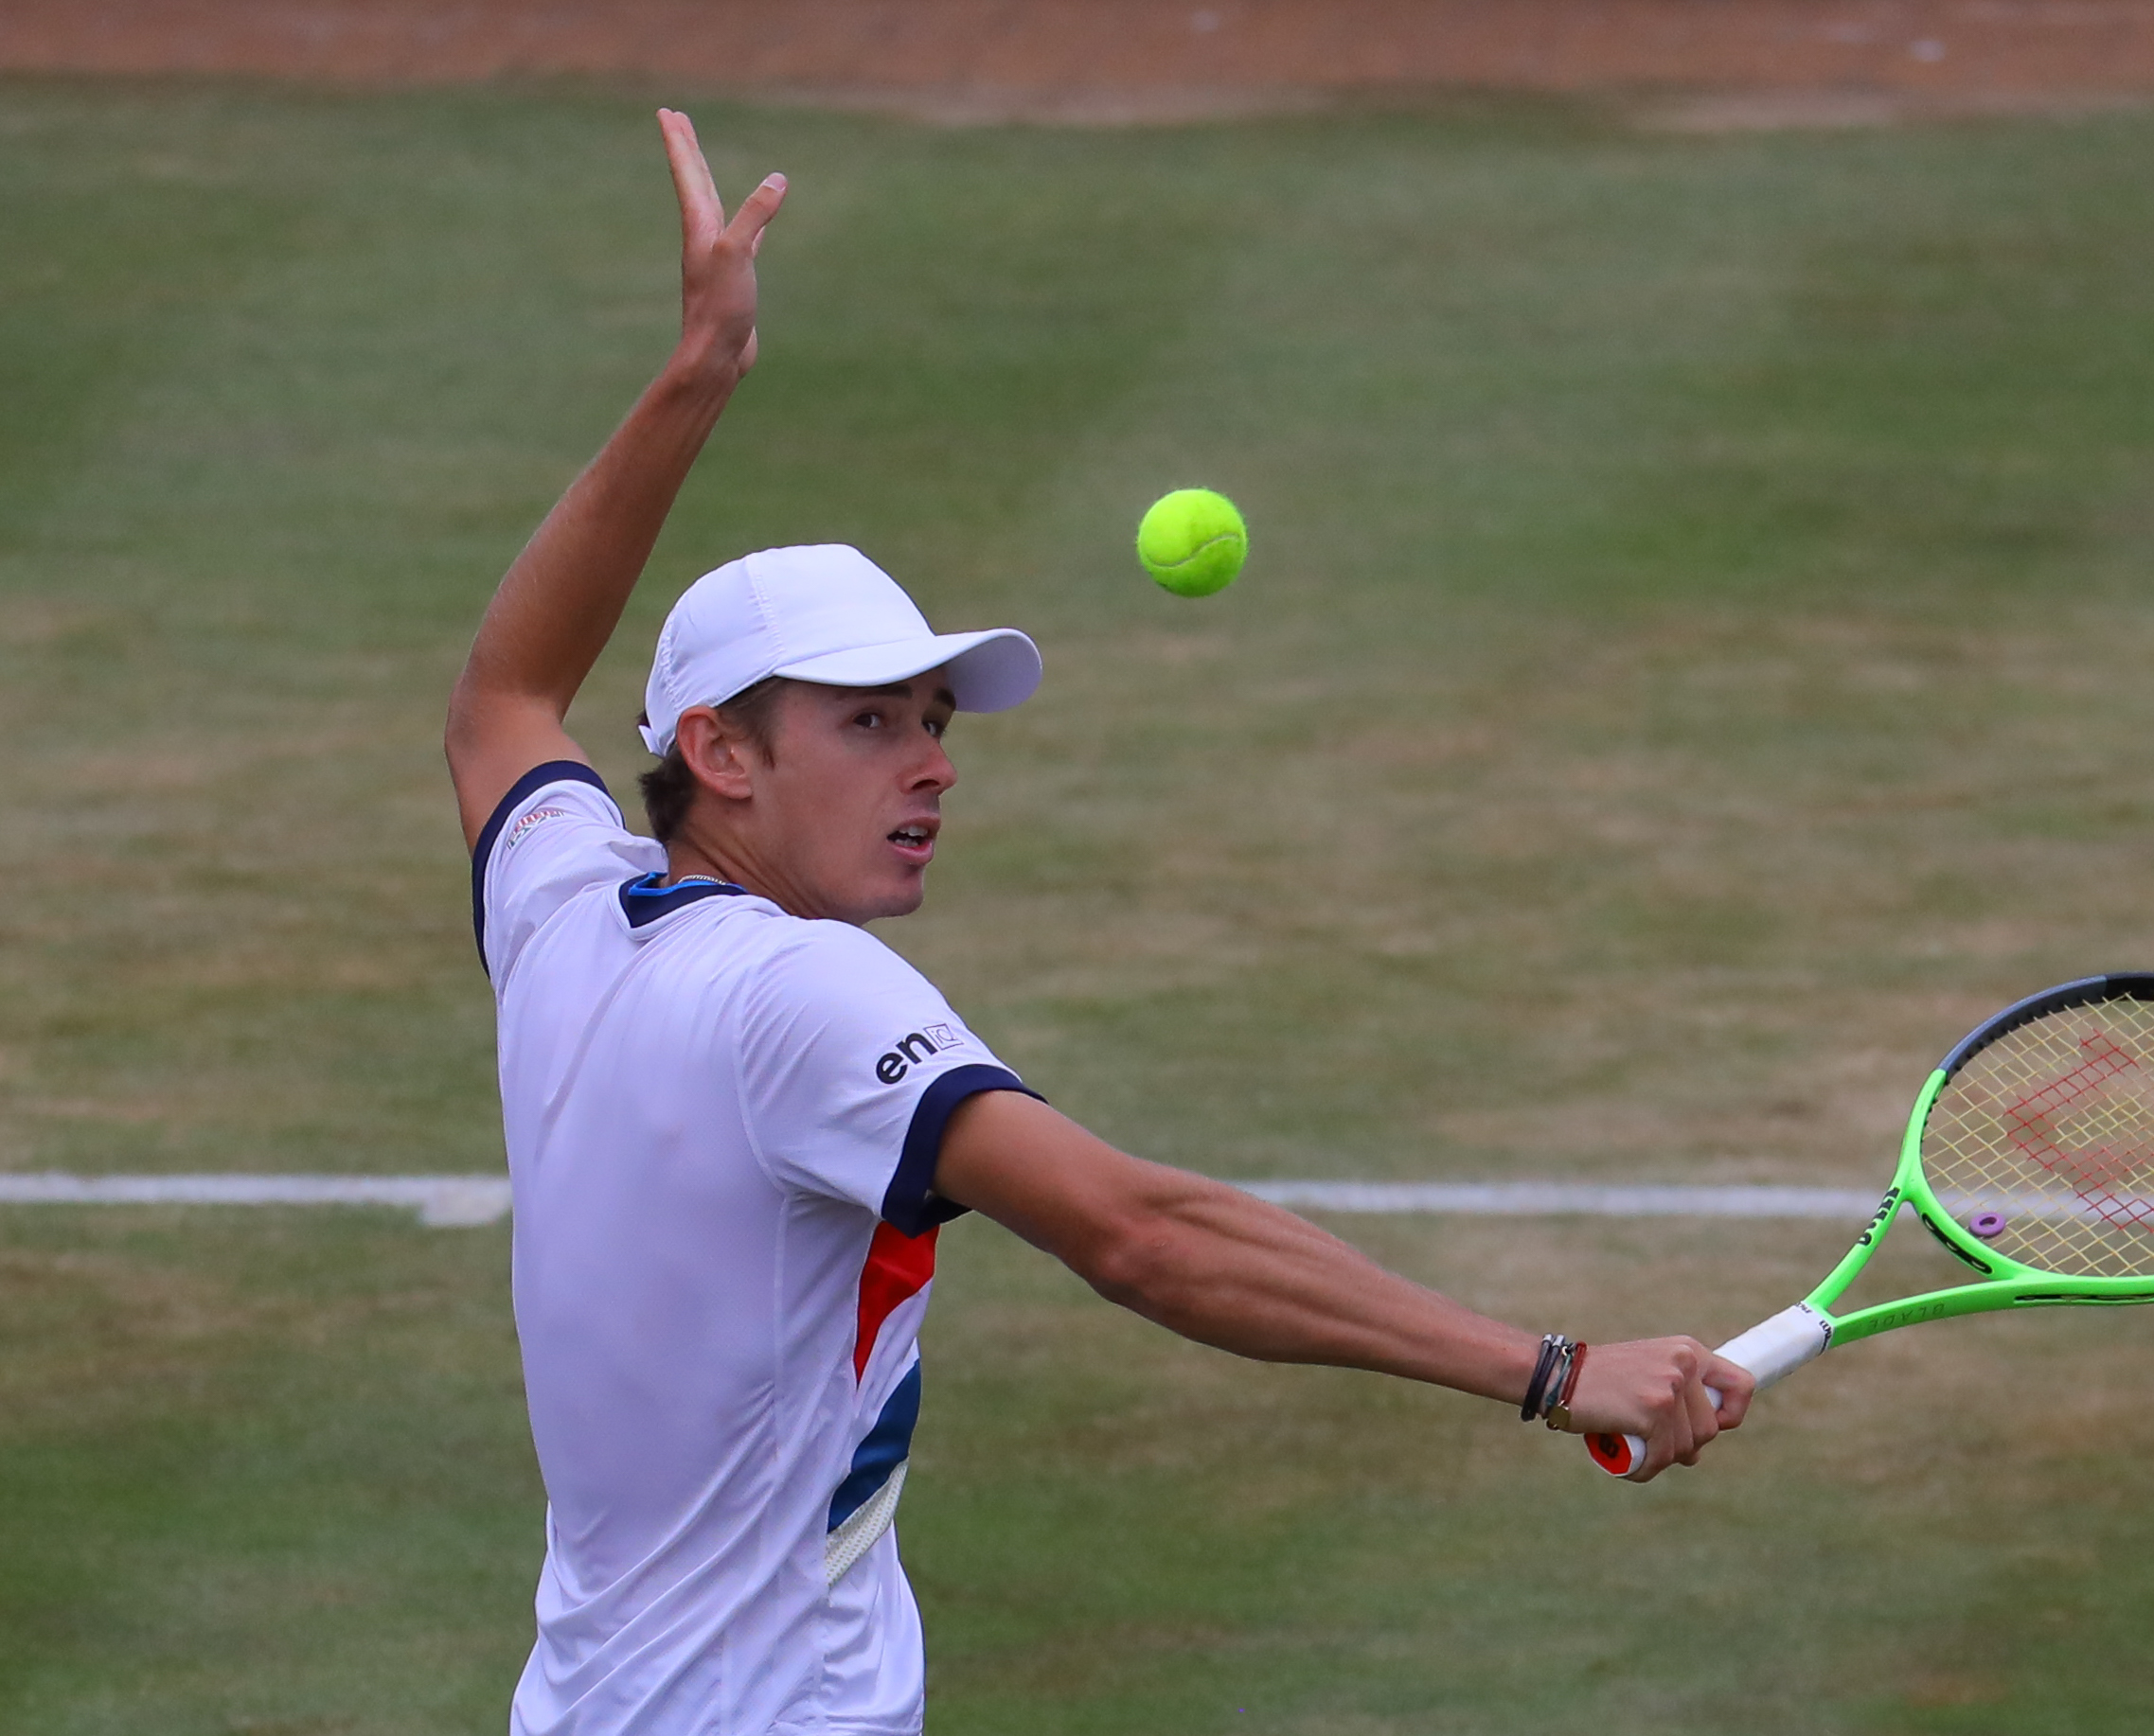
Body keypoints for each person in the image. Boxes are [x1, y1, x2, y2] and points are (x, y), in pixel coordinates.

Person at [444, 110, 1751, 1736]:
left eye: (937, 719)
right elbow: (1141, 1233)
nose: (929, 764)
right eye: (868, 725)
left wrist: (701, 368)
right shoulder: (800, 993)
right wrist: (1554, 1369)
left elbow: (504, 694)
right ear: (719, 751)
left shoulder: (566, 914)